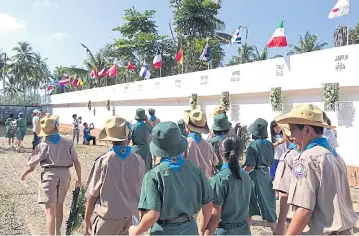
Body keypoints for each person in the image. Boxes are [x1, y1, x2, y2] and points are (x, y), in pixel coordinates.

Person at [275, 104, 358, 235]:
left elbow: (304, 210)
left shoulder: (306, 159)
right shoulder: (336, 157)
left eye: (293, 131)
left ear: (307, 130)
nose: (291, 137)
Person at [128, 122, 213, 235]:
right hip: (189, 229)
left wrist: (136, 231)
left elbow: (152, 215)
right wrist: (202, 228)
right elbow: (208, 205)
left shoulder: (153, 175)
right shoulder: (195, 170)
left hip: (164, 230)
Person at [19, 114, 82, 235]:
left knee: (50, 212)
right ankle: (58, 232)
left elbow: (32, 166)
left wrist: (23, 174)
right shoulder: (68, 143)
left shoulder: (43, 145)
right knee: (60, 207)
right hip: (65, 175)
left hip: (49, 176)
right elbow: (77, 163)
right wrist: (79, 178)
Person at [84, 117, 145, 235]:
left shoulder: (104, 161)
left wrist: (87, 219)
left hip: (108, 218)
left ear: (110, 138)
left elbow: (92, 194)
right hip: (131, 217)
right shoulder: (138, 160)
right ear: (128, 136)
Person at [204, 134, 253, 235]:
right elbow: (249, 212)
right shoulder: (246, 176)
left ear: (220, 152)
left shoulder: (219, 180)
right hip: (243, 230)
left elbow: (215, 217)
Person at [244, 118, 277, 232]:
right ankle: (275, 228)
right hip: (266, 174)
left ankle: (247, 228)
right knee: (268, 201)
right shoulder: (270, 144)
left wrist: (241, 173)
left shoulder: (253, 145)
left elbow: (251, 166)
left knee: (250, 202)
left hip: (255, 176)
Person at [272, 124, 299, 235]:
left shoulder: (289, 156)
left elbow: (285, 193)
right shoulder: (331, 155)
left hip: (295, 215)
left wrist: (281, 224)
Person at [183, 109, 218, 179]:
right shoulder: (209, 145)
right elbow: (216, 162)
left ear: (187, 126)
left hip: (190, 183)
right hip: (206, 183)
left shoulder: (184, 144)